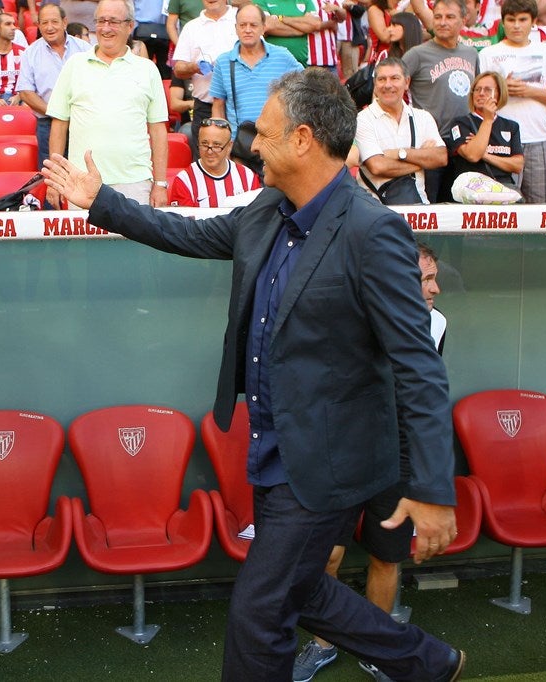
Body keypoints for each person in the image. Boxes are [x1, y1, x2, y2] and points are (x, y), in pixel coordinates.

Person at [42, 65, 464, 682]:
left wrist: (431, 489)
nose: (252, 145)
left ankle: (423, 662)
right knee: (298, 592)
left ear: (302, 139)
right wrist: (101, 202)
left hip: (328, 462)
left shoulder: (374, 233)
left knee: (258, 614)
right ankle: (428, 662)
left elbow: (420, 370)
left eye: (263, 134)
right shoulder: (268, 209)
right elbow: (185, 232)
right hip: (270, 450)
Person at [293, 241, 449, 682]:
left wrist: (425, 473)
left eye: (434, 278)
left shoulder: (436, 324)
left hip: (396, 455)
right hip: (344, 451)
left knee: (386, 557)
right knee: (327, 556)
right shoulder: (353, 317)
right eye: (426, 280)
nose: (436, 288)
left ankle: (378, 649)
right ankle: (325, 642)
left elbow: (428, 398)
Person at [46, 0, 169, 208]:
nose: (105, 28)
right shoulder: (74, 65)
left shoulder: (147, 69)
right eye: (101, 21)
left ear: (130, 26)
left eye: (113, 21)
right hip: (81, 183)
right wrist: (56, 181)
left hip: (135, 183)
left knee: (132, 242)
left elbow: (158, 131)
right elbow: (59, 126)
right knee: (83, 242)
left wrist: (160, 183)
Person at [478, 0, 546, 204]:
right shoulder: (488, 54)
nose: (516, 25)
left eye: (522, 20)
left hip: (539, 137)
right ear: (502, 22)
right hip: (499, 140)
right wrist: (501, 89)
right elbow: (479, 99)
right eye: (511, 20)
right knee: (501, 209)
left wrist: (529, 91)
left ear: (533, 22)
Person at [402, 0, 478, 201]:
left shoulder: (471, 53)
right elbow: (390, 86)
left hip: (463, 145)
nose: (442, 22)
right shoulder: (417, 54)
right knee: (431, 206)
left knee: (461, 205)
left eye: (450, 17)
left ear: (464, 20)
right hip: (431, 144)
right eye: (438, 17)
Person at [356, 57, 448, 205]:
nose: (388, 85)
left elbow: (441, 157)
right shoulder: (363, 119)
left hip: (420, 207)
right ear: (374, 84)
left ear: (407, 82)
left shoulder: (423, 117)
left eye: (394, 78)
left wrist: (400, 153)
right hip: (376, 210)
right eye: (381, 79)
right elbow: (377, 166)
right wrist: (422, 161)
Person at [209, 3, 303, 139]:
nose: (247, 30)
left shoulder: (282, 56)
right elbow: (218, 106)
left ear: (263, 28)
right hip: (239, 144)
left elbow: (305, 88)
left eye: (253, 25)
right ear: (235, 28)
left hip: (277, 143)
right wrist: (222, 143)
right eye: (243, 25)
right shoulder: (223, 62)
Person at [17, 3, 90, 168]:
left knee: (84, 173)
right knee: (51, 176)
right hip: (47, 124)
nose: (49, 27)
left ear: (64, 22)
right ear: (38, 25)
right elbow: (26, 92)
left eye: (54, 22)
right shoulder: (30, 53)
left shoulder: (85, 49)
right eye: (44, 23)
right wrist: (56, 112)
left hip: (81, 122)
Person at [171, 0, 237, 158]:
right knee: (205, 165)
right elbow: (178, 68)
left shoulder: (240, 19)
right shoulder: (191, 27)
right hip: (204, 108)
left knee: (241, 164)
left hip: (239, 108)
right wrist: (195, 66)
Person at [446, 70, 524, 189]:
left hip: (503, 188)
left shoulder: (511, 126)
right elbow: (472, 155)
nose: (481, 93)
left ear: (499, 93)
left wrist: (485, 155)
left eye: (487, 90)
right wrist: (487, 120)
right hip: (472, 188)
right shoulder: (461, 123)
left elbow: (517, 165)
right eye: (477, 89)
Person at [168, 116, 261, 206]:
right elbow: (183, 221)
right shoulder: (185, 180)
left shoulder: (248, 177)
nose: (209, 151)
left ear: (229, 146)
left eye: (216, 145)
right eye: (204, 144)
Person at [254, 0, 322, 65]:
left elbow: (315, 24)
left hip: (300, 64)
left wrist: (281, 18)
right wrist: (302, 29)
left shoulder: (304, 0)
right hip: (272, 63)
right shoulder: (261, 0)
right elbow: (267, 25)